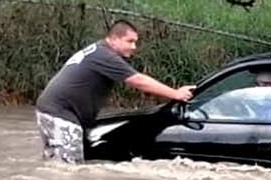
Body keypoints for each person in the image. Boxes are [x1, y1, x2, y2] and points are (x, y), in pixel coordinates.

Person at [35, 20, 194, 163]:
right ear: (115, 38)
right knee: (68, 170)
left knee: (55, 164)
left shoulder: (99, 50)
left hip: (53, 111)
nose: (134, 47)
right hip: (61, 114)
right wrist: (175, 94)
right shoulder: (106, 56)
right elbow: (138, 81)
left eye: (136, 42)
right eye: (130, 41)